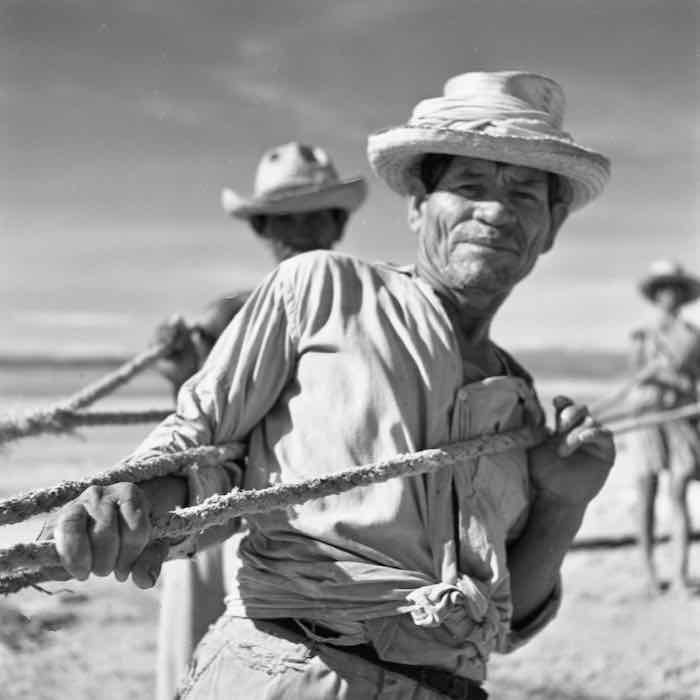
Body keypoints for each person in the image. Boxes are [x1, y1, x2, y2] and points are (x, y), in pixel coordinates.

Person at [50, 71, 615, 699]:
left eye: (526, 195)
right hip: (290, 676)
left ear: (552, 226)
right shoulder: (320, 289)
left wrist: (566, 502)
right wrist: (132, 496)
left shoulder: (519, 399)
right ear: (418, 205)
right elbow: (205, 446)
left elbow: (504, 625)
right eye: (469, 185)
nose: (495, 211)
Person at [152, 141, 367, 699]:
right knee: (193, 657)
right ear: (263, 228)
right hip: (220, 510)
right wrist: (180, 371)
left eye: (311, 215)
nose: (296, 231)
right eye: (281, 219)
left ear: (335, 224)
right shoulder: (229, 314)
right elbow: (202, 419)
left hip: (304, 525)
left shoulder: (366, 311)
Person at [627, 260, 700, 595]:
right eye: (663, 289)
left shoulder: (693, 336)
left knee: (680, 491)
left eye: (675, 289)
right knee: (647, 492)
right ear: (656, 295)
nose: (669, 295)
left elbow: (694, 380)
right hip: (646, 417)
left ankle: (681, 575)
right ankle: (648, 575)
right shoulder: (643, 333)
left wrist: (674, 380)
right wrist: (655, 373)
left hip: (680, 416)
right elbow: (636, 374)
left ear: (682, 295)